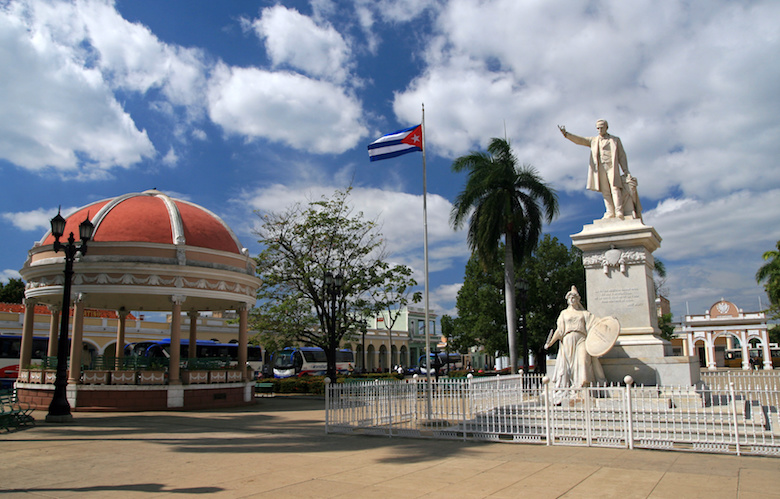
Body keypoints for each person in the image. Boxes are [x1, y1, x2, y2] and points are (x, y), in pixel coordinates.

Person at [559, 120, 639, 220]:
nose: (600, 130)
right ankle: (610, 212)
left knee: (615, 188)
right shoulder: (593, 140)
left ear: (606, 127)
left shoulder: (615, 140)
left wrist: (626, 170)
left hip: (611, 167)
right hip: (600, 168)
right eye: (598, 128)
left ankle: (619, 211)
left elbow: (622, 156)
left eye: (602, 127)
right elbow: (580, 140)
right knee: (605, 191)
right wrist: (566, 134)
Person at [545, 286, 606, 399]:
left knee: (583, 361)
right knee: (571, 367)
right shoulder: (564, 314)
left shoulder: (585, 314)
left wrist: (606, 327)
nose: (572, 299)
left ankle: (584, 387)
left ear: (578, 299)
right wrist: (551, 343)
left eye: (574, 297)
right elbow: (560, 330)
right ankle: (574, 388)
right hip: (568, 340)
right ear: (567, 300)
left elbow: (595, 325)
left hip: (581, 339)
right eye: (570, 297)